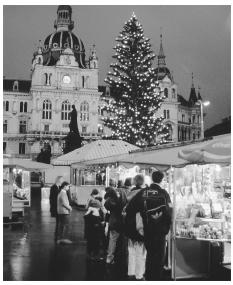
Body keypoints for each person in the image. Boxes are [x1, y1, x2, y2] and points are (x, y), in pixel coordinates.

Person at [141, 171, 172, 280]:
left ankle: (148, 277)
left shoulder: (146, 192)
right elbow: (169, 212)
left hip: (148, 228)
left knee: (149, 255)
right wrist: (167, 227)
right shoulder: (163, 193)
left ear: (152, 179)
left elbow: (140, 210)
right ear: (162, 180)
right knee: (159, 258)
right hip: (160, 230)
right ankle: (156, 278)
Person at [125, 174, 147, 280]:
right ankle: (139, 275)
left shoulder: (129, 193)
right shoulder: (143, 194)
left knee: (131, 250)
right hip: (139, 226)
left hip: (129, 226)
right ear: (142, 182)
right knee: (140, 252)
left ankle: (131, 272)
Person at [104, 185, 127, 265]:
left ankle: (109, 258)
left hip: (114, 221)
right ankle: (123, 258)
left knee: (113, 239)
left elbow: (107, 205)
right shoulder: (127, 193)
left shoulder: (115, 194)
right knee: (124, 240)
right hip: (124, 220)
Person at [49, 176, 63, 240]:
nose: (63, 181)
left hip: (58, 207)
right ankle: (57, 236)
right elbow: (53, 198)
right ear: (59, 180)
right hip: (56, 207)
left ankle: (57, 235)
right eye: (62, 180)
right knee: (58, 221)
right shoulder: (54, 187)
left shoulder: (58, 187)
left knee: (59, 221)